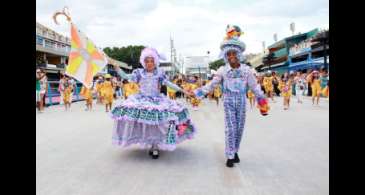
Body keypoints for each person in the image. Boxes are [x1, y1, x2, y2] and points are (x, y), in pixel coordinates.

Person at [189, 25, 269, 168]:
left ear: (239, 54)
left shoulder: (246, 70)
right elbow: (211, 85)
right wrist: (197, 93)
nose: (231, 56)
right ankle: (230, 155)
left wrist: (262, 103)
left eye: (234, 54)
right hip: (229, 102)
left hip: (242, 102)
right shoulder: (222, 70)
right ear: (226, 55)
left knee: (239, 128)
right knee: (230, 128)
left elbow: (255, 87)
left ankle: (235, 150)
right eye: (229, 54)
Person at [111, 47, 196, 159]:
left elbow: (169, 84)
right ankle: (150, 143)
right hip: (142, 100)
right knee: (145, 123)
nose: (149, 63)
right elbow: (127, 77)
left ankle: (155, 145)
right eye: (147, 61)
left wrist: (183, 90)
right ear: (143, 62)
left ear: (155, 62)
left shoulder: (159, 73)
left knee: (159, 123)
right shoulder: (139, 73)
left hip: (157, 101)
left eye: (151, 61)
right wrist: (117, 69)